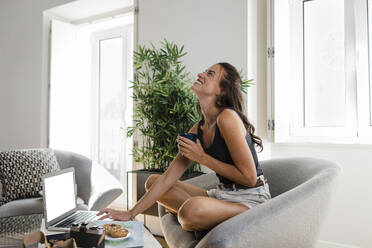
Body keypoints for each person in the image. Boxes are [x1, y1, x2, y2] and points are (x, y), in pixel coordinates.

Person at [97, 62, 271, 231]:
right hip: (223, 195)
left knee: (190, 211)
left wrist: (202, 158)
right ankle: (207, 217)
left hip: (250, 200)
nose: (200, 74)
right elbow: (168, 178)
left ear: (222, 90)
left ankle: (207, 217)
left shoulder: (227, 118)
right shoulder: (199, 128)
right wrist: (131, 213)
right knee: (153, 182)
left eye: (210, 74)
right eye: (205, 71)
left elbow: (249, 177)